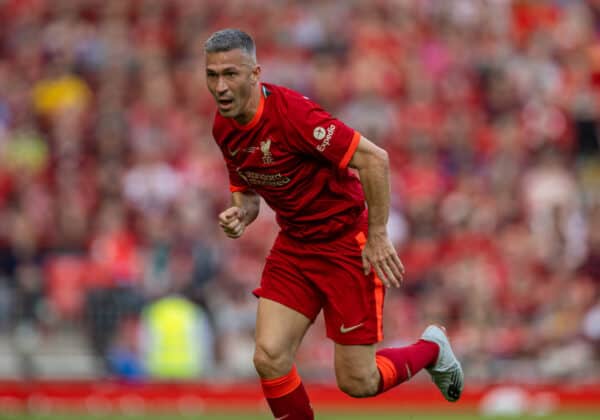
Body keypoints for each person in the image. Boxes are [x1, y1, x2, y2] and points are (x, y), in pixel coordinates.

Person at [204, 29, 464, 419]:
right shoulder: (224, 129)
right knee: (269, 357)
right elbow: (248, 191)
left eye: (231, 74)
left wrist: (376, 237)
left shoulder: (294, 116)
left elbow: (374, 160)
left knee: (357, 382)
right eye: (212, 75)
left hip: (345, 243)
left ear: (255, 73)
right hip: (294, 244)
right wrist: (240, 212)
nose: (221, 86)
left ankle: (432, 349)